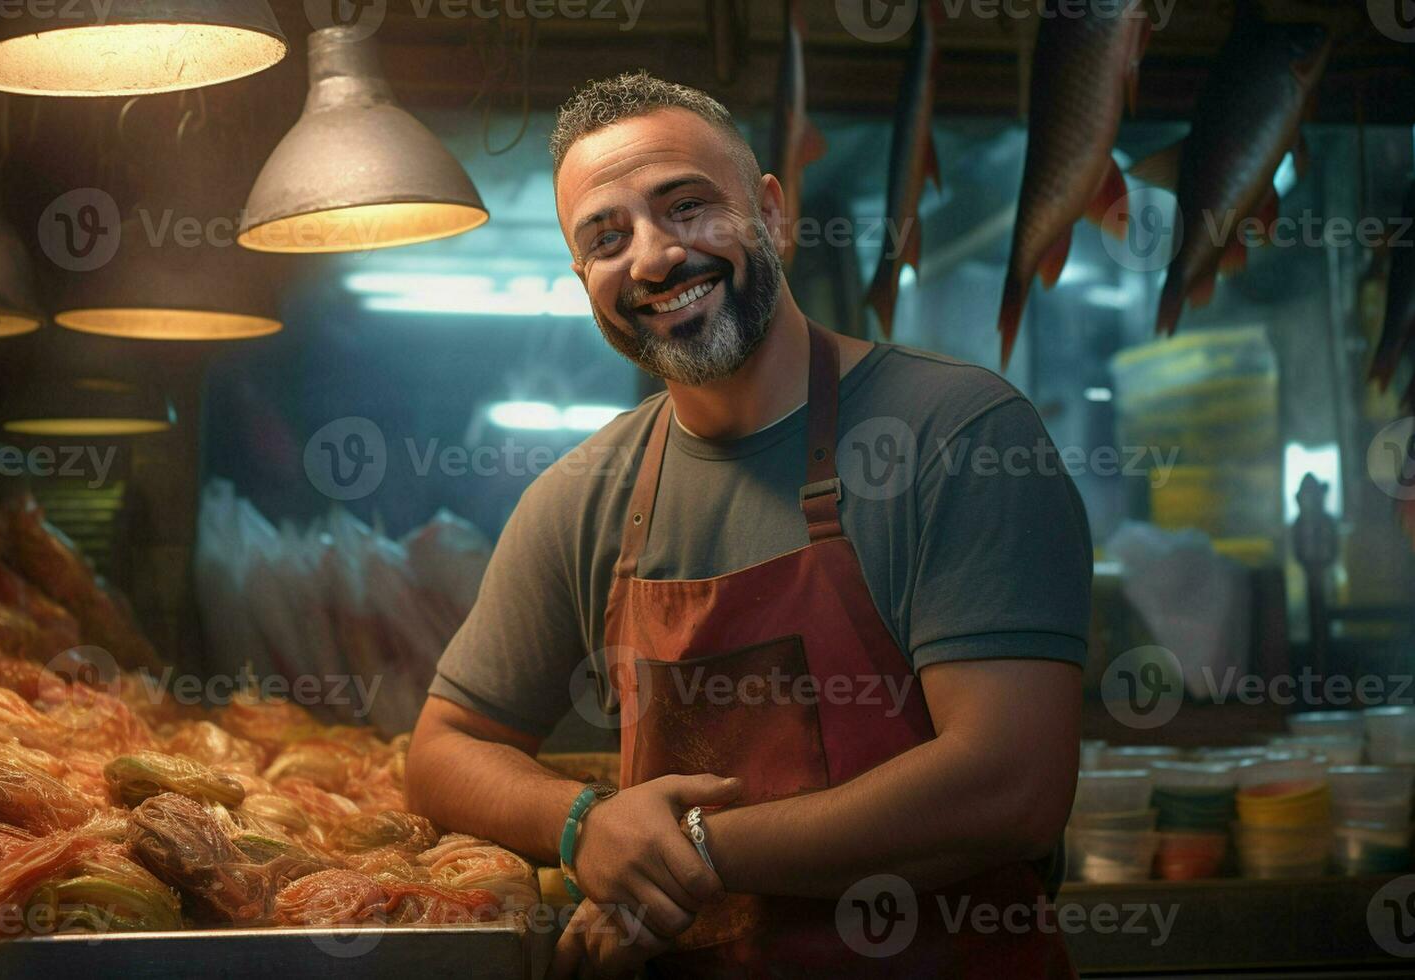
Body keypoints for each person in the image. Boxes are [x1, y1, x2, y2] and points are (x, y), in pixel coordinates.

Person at [407, 71, 1091, 979]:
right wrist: (583, 825)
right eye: (605, 238)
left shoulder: (957, 434)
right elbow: (443, 749)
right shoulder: (582, 495)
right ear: (583, 278)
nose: (652, 258)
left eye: (686, 206)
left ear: (770, 212)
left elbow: (1013, 785)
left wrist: (683, 853)